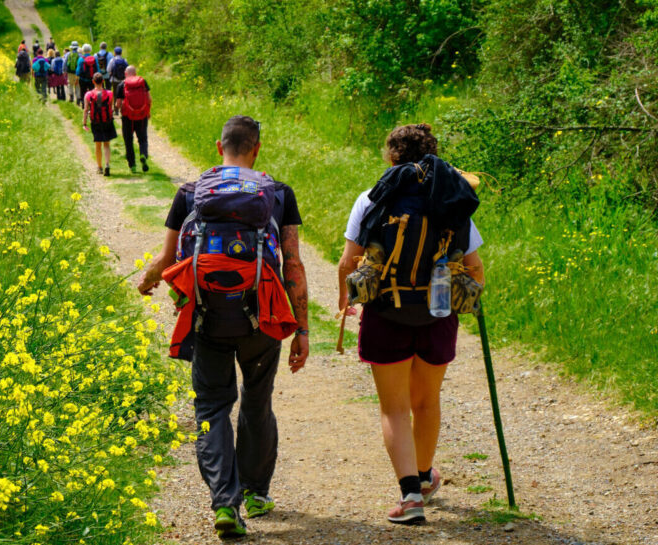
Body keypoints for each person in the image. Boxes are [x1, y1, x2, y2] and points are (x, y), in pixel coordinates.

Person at [138, 116, 310, 539]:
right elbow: (293, 264)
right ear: (257, 148)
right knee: (257, 399)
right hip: (263, 316)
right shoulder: (278, 194)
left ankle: (226, 505)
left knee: (212, 406)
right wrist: (301, 329)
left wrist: (147, 280)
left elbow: (165, 261)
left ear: (220, 147)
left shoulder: (191, 193)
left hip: (207, 314)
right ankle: (255, 492)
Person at [336, 123, 484, 525]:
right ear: (434, 153)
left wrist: (344, 300)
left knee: (395, 409)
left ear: (391, 156)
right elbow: (475, 268)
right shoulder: (453, 198)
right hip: (438, 315)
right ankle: (423, 476)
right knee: (426, 401)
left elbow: (349, 262)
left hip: (386, 312)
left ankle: (410, 496)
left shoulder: (373, 198)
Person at [114, 65, 150, 174]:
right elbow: (149, 98)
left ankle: (132, 165)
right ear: (135, 73)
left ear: (125, 74)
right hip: (142, 115)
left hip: (128, 118)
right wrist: (147, 111)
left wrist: (118, 108)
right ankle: (143, 153)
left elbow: (118, 103)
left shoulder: (122, 85)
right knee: (142, 138)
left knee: (128, 140)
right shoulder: (143, 82)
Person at [82, 73, 116, 176]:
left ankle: (99, 167)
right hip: (107, 121)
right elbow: (111, 108)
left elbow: (86, 109)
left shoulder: (88, 95)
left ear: (93, 81)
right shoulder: (110, 93)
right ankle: (107, 164)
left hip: (95, 122)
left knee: (98, 145)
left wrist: (84, 123)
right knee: (106, 144)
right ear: (103, 81)